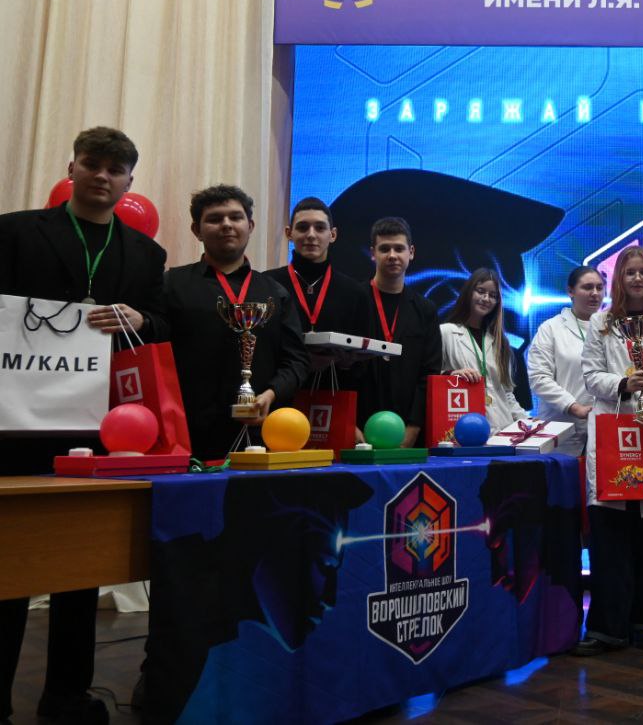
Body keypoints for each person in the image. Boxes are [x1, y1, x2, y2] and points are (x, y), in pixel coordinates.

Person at [0, 126, 166, 725]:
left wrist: (141, 318)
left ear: (129, 182)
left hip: (102, 427)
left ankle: (66, 696)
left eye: (115, 169)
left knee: (82, 565)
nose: (102, 176)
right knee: (10, 564)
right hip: (17, 424)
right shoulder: (15, 231)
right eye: (92, 164)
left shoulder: (146, 254)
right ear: (72, 167)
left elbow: (161, 323)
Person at [574, 246, 643, 655]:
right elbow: (591, 375)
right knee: (610, 534)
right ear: (618, 279)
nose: (637, 279)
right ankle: (607, 628)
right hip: (615, 433)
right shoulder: (601, 323)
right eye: (629, 273)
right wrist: (622, 385)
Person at [163, 185, 310, 461]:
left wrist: (271, 394)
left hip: (261, 437)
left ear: (250, 226)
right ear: (196, 230)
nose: (226, 225)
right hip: (188, 438)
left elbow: (296, 361)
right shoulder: (171, 285)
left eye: (235, 217)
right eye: (214, 218)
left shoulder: (275, 293)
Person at [263, 197, 371, 396]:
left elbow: (364, 367)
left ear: (332, 234)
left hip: (334, 397)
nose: (311, 235)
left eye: (320, 228)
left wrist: (347, 363)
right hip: (277, 397)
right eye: (302, 227)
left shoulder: (355, 292)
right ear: (289, 233)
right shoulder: (266, 284)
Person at [357, 217, 442, 447]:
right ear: (373, 253)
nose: (392, 255)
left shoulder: (425, 310)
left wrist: (413, 428)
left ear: (411, 252)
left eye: (399, 248)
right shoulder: (352, 300)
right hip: (358, 428)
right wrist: (348, 424)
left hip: (409, 431)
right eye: (384, 249)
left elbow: (430, 374)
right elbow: (339, 367)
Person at [526, 266, 605, 457]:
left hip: (605, 431)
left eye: (599, 287)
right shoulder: (551, 329)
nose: (595, 293)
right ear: (570, 291)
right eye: (587, 287)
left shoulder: (613, 329)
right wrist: (573, 407)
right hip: (562, 433)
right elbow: (539, 378)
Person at [440, 268, 528, 432]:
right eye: (480, 291)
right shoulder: (445, 332)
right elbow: (429, 377)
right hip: (465, 428)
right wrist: (451, 374)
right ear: (469, 293)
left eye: (493, 295)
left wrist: (527, 423)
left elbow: (506, 393)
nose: (486, 299)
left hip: (504, 429)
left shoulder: (500, 342)